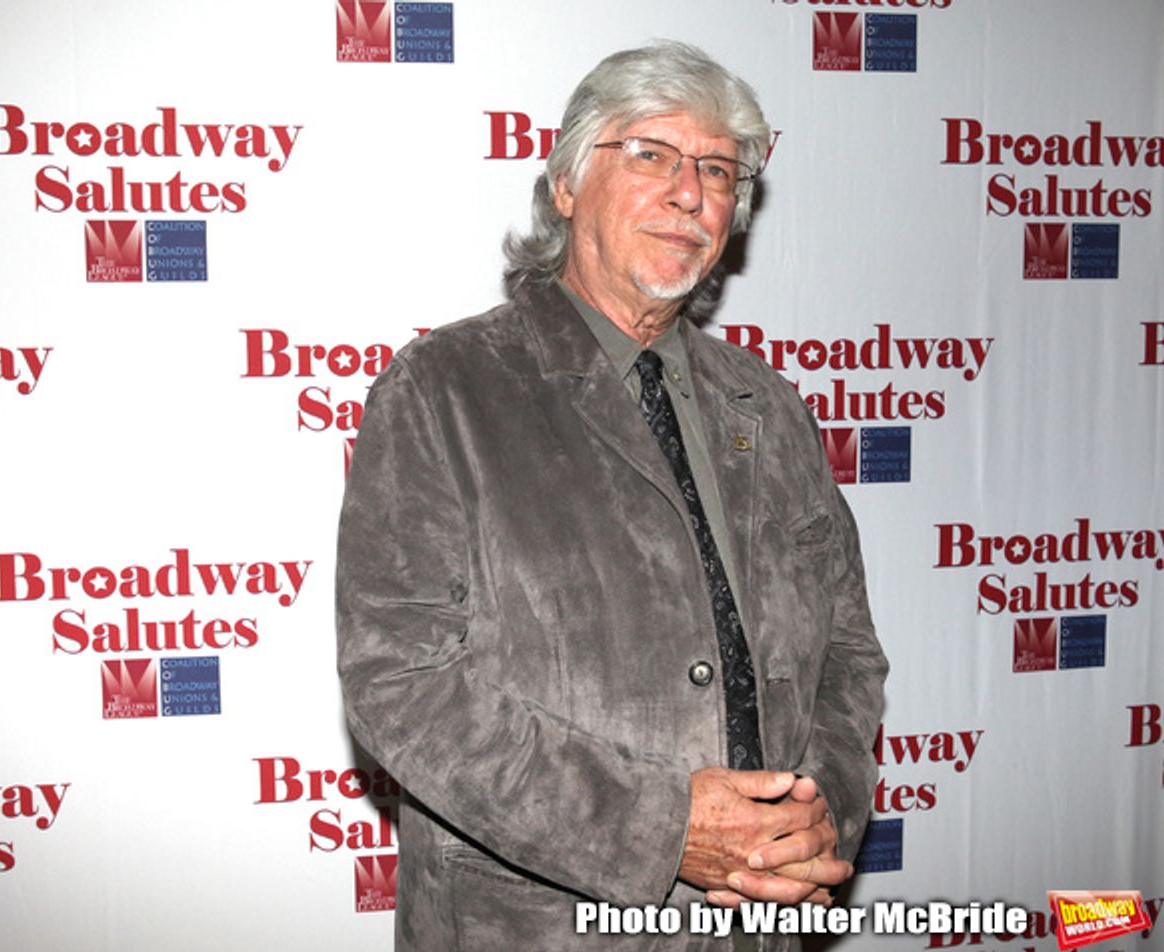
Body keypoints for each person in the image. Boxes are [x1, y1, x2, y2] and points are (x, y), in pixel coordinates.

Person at [337, 40, 887, 951]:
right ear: (564, 183)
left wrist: (814, 810)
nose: (689, 192)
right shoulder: (448, 389)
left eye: (717, 169)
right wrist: (663, 829)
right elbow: (402, 683)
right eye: (650, 155)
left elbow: (849, 653)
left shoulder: (772, 406)